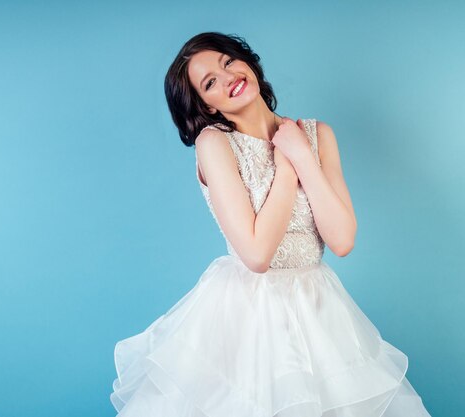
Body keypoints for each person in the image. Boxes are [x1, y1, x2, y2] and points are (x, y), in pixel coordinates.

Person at [109, 31, 432, 417]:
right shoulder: (214, 144)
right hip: (250, 314)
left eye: (228, 62)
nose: (227, 77)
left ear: (247, 62)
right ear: (207, 106)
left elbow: (342, 239)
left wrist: (302, 155)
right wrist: (285, 166)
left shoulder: (317, 135)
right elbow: (257, 254)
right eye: (210, 82)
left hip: (319, 308)